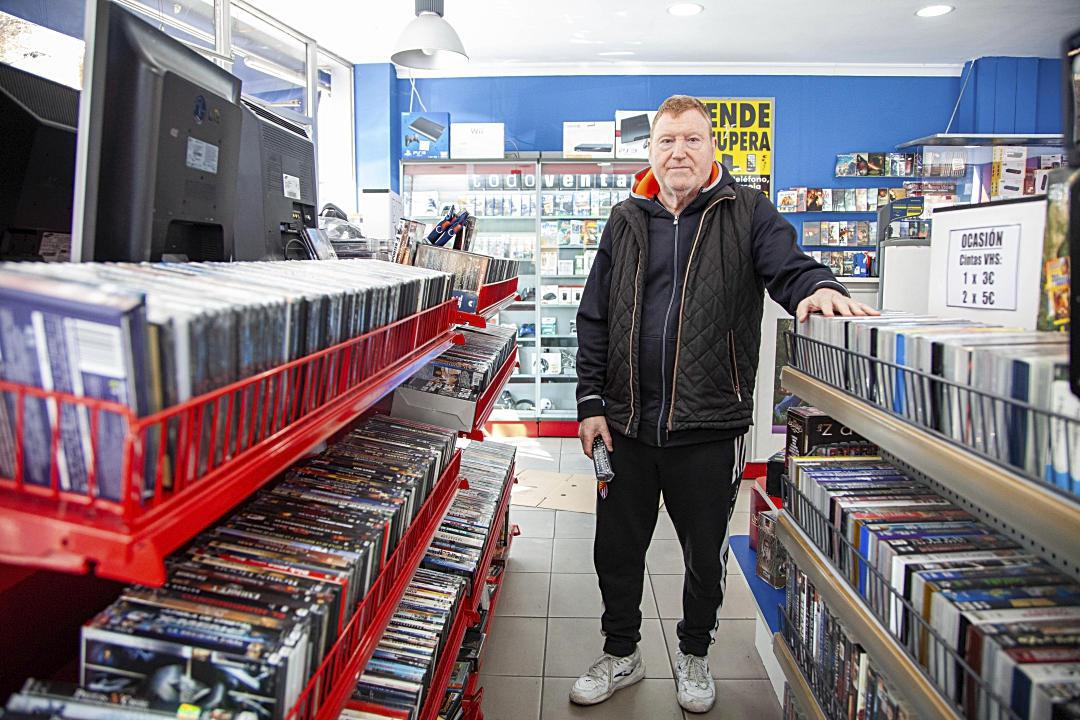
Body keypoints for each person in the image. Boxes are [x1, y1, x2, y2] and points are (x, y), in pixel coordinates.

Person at [571, 95, 878, 714]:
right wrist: (590, 400)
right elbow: (594, 317)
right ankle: (622, 652)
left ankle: (694, 655)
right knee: (617, 549)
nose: (678, 151)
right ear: (650, 151)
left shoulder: (747, 213)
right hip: (626, 423)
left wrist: (818, 288)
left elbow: (789, 267)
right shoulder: (625, 219)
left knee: (703, 553)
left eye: (691, 139)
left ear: (712, 147)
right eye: (666, 141)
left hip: (710, 426)